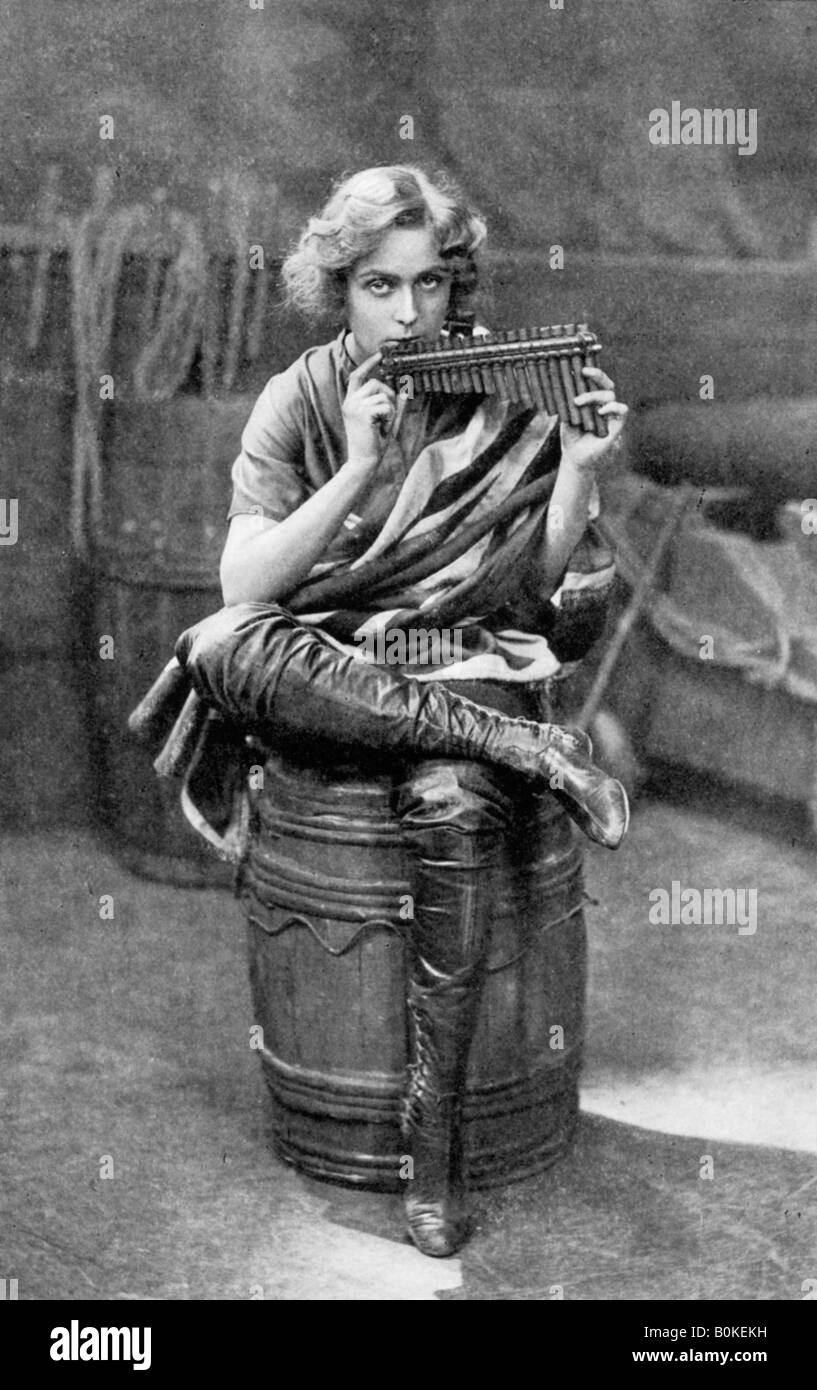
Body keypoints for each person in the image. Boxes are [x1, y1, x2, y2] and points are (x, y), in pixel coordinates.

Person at [172, 164, 629, 1257]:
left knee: (455, 800)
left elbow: (531, 597)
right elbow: (247, 588)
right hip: (324, 667)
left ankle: (434, 1148)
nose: (409, 314)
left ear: (455, 288)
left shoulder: (504, 390)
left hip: (461, 659)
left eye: (431, 286)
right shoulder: (300, 395)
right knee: (220, 642)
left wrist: (574, 471)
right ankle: (529, 750)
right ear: (340, 287)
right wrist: (360, 465)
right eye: (381, 286)